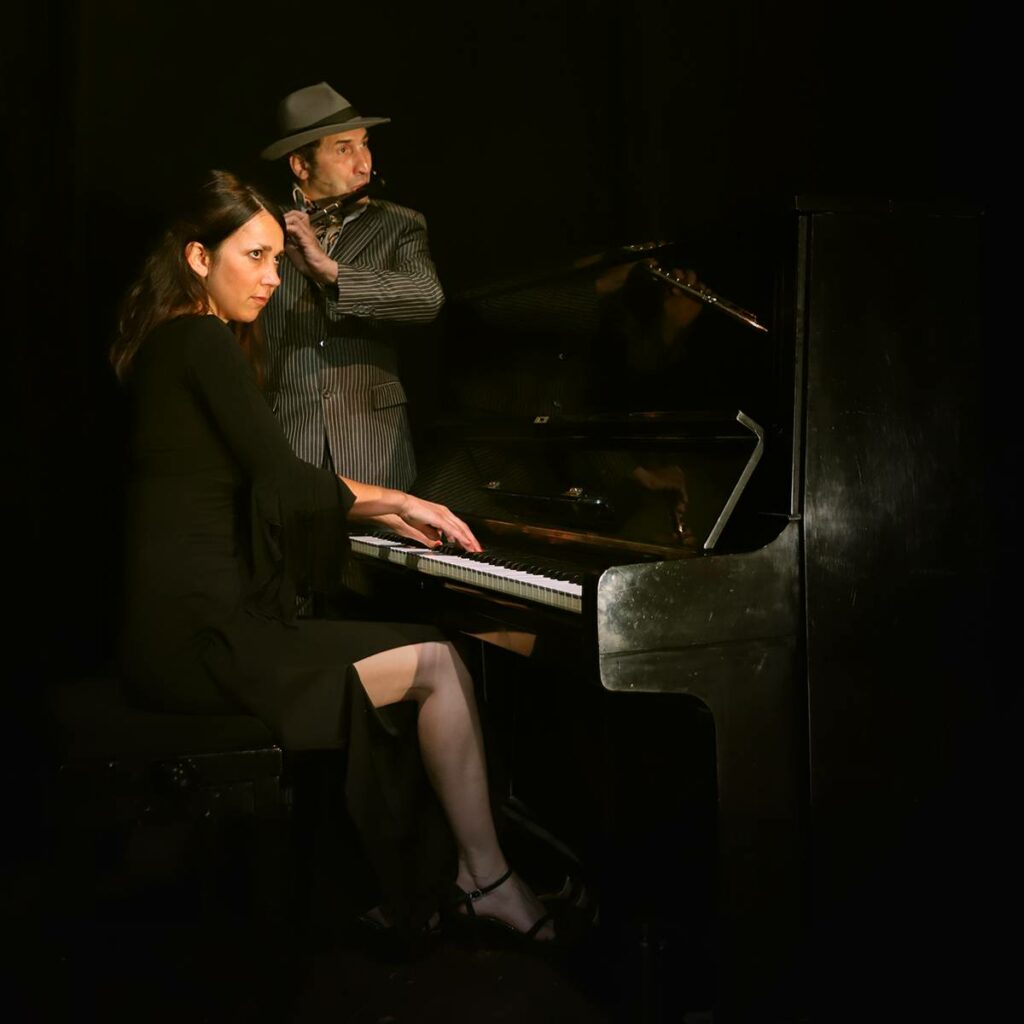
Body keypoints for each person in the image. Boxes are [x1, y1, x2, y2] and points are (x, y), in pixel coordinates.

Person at [108, 169, 553, 943]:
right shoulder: (201, 340)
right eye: (254, 257)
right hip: (202, 646)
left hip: (174, 634)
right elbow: (283, 481)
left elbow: (264, 484)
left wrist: (388, 505)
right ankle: (483, 881)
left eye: (277, 259)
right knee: (439, 665)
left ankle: (448, 877)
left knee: (424, 655)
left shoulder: (166, 343)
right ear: (198, 258)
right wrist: (402, 502)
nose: (273, 279)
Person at [259, 81, 443, 489]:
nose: (364, 165)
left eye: (365, 145)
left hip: (373, 445)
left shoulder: (400, 224)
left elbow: (427, 297)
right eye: (344, 150)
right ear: (300, 165)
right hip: (287, 440)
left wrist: (331, 271)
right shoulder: (263, 228)